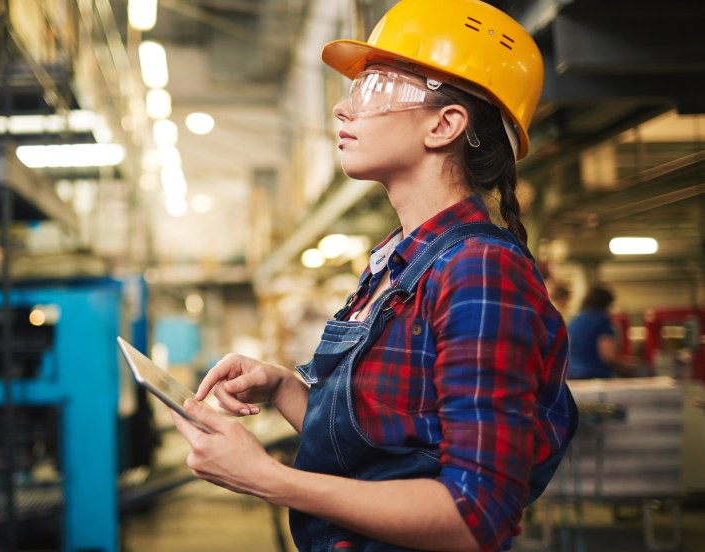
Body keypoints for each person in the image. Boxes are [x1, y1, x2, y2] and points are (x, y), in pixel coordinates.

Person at [169, 1, 578, 551]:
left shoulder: (479, 269)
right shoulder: (396, 261)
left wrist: (270, 479)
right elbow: (384, 449)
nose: (343, 109)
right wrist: (284, 386)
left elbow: (474, 517)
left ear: (445, 124)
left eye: (375, 88)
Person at [567, 285, 624, 379]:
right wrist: (624, 366)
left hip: (572, 375)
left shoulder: (575, 320)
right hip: (594, 375)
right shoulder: (602, 320)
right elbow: (608, 355)